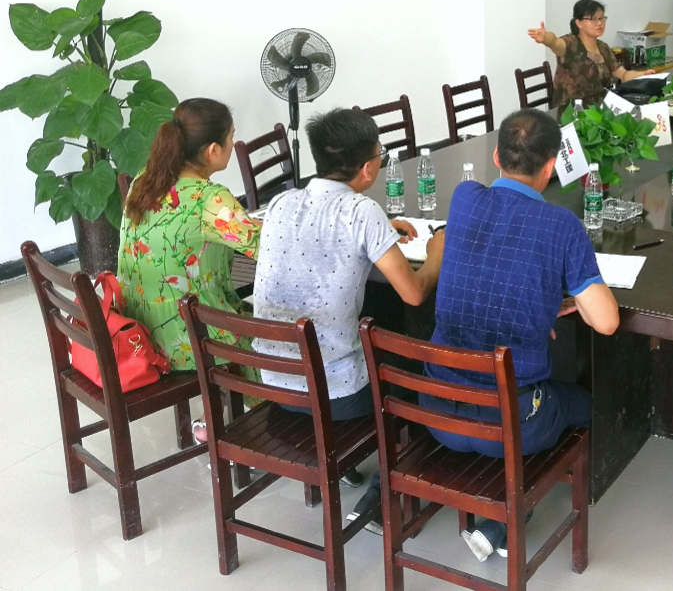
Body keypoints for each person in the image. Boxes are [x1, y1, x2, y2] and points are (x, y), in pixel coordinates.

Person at [420, 108, 619, 562]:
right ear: (551, 167)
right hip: (510, 424)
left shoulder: (464, 197)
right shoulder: (562, 225)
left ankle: (497, 517)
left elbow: (490, 261)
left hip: (438, 411)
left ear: (496, 157)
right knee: (587, 405)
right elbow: (606, 322)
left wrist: (539, 300)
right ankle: (512, 513)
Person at [252, 108, 443, 500]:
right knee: (416, 358)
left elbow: (313, 244)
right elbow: (414, 293)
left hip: (277, 384)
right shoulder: (362, 212)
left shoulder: (279, 203)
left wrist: (381, 229)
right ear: (369, 169)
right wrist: (439, 250)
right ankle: (399, 482)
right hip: (338, 397)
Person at [119, 98, 260, 372]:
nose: (233, 145)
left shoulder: (143, 180)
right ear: (213, 150)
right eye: (231, 138)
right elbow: (269, 247)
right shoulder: (210, 199)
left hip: (138, 332)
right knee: (286, 343)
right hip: (186, 336)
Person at [529, 0, 653, 109]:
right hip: (570, 112)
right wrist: (545, 38)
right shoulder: (571, 44)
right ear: (579, 23)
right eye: (593, 19)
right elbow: (555, 42)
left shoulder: (603, 47)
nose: (599, 23)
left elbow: (623, 74)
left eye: (601, 18)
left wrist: (643, 74)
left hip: (599, 109)